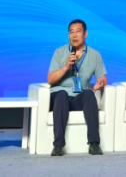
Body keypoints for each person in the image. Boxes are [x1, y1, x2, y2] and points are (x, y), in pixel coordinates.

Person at [46, 19, 108, 156]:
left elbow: (103, 77)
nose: (74, 35)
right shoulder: (60, 52)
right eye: (71, 32)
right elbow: (50, 79)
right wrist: (66, 67)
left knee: (89, 94)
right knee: (62, 94)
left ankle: (94, 143)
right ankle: (58, 145)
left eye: (78, 31)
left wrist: (101, 82)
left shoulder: (95, 55)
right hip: (59, 96)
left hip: (78, 96)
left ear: (85, 34)